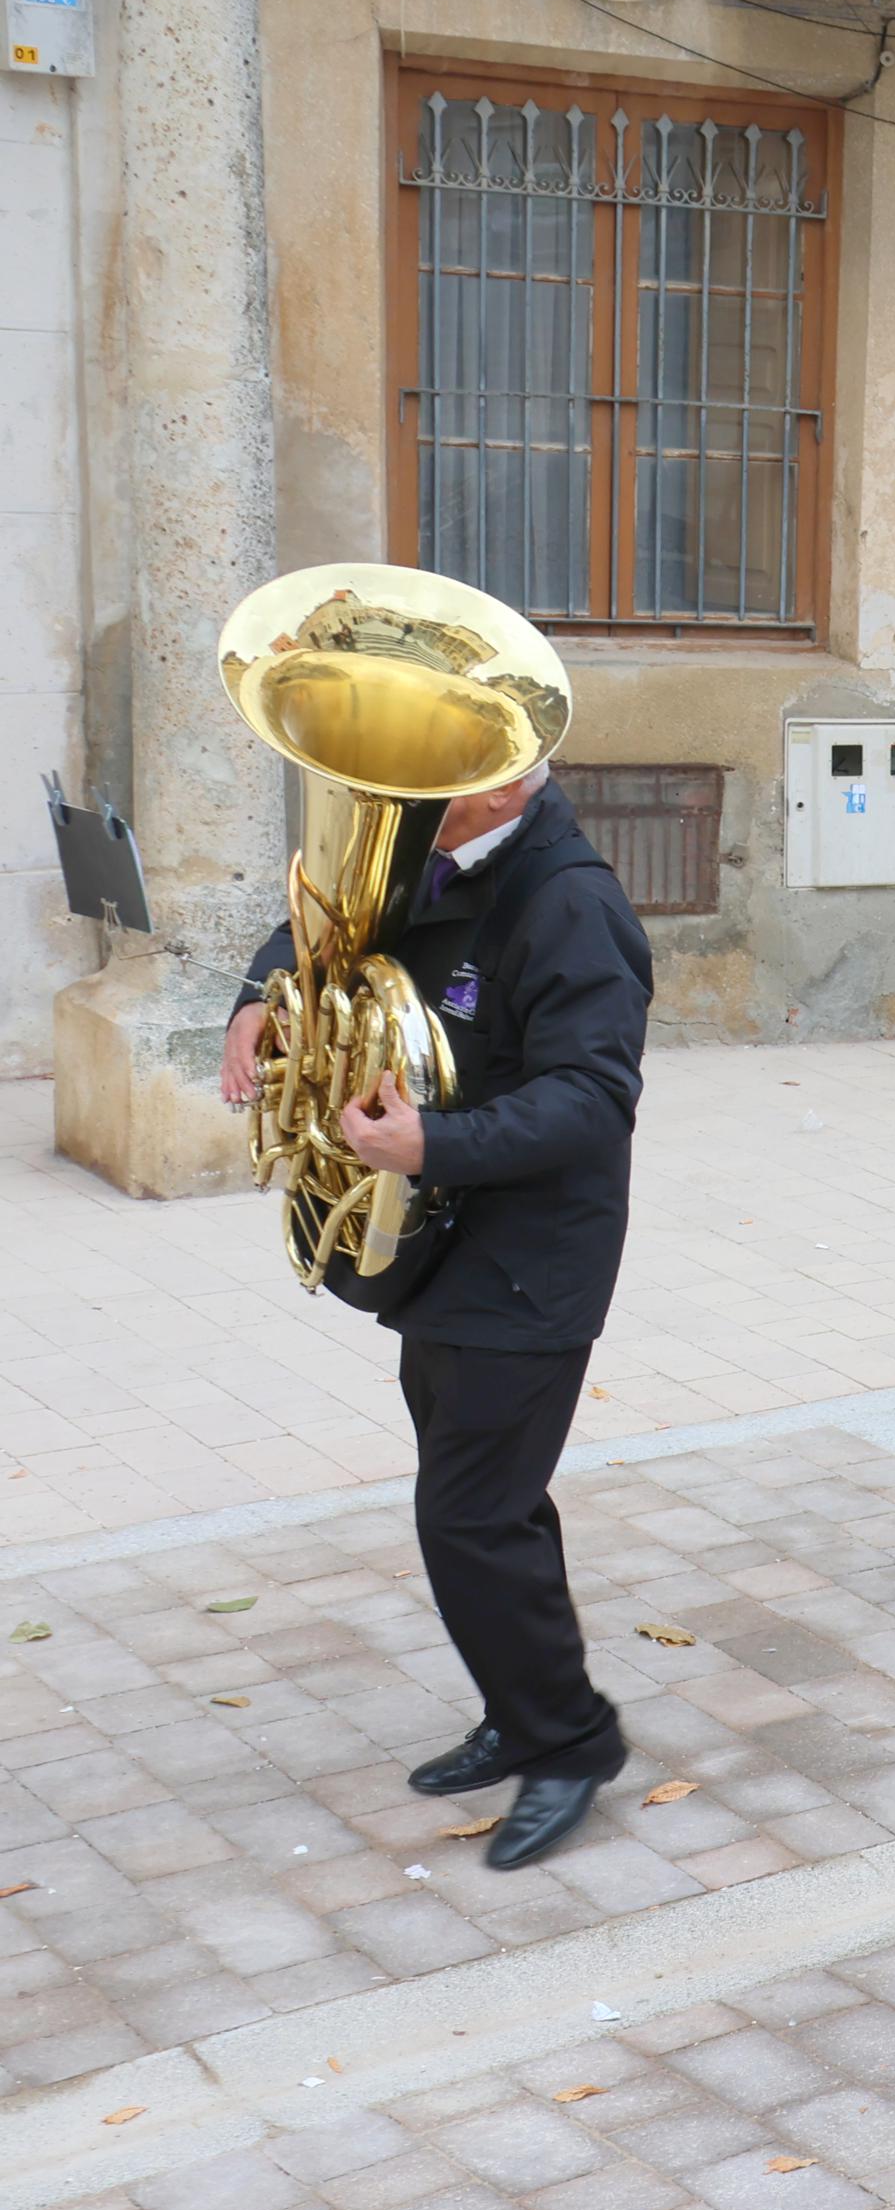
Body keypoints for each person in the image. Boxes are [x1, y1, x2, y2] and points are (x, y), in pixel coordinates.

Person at [222, 764, 654, 1873]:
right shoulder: (429, 850)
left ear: (507, 788)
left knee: (469, 1515)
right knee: (491, 1504)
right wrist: (259, 996)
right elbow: (319, 929)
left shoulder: (572, 901)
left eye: (443, 771)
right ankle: (522, 1706)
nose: (404, 791)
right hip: (446, 1246)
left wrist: (433, 1143)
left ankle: (572, 1742)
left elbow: (595, 1096)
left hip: (528, 1261)